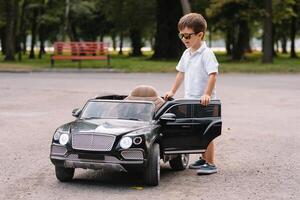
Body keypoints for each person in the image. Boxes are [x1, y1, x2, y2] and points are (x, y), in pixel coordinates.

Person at [164, 13, 219, 175]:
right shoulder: (186, 53)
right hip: (190, 100)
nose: (184, 39)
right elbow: (181, 73)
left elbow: (213, 74)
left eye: (187, 35)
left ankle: (210, 163)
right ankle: (203, 158)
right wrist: (172, 91)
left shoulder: (207, 53)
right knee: (196, 131)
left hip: (204, 102)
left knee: (206, 132)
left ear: (200, 35)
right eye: (181, 35)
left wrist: (207, 94)